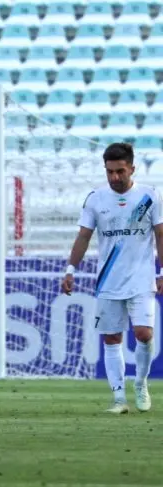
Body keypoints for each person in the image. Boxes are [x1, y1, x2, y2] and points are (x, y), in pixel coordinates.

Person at [62, 142, 163, 414]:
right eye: (110, 172)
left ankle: (140, 383)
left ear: (132, 168)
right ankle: (119, 398)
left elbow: (160, 235)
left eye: (120, 171)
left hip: (141, 277)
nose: (115, 177)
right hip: (108, 279)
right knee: (111, 338)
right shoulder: (96, 199)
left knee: (144, 334)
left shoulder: (149, 197)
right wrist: (70, 269)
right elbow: (83, 236)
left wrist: (162, 271)